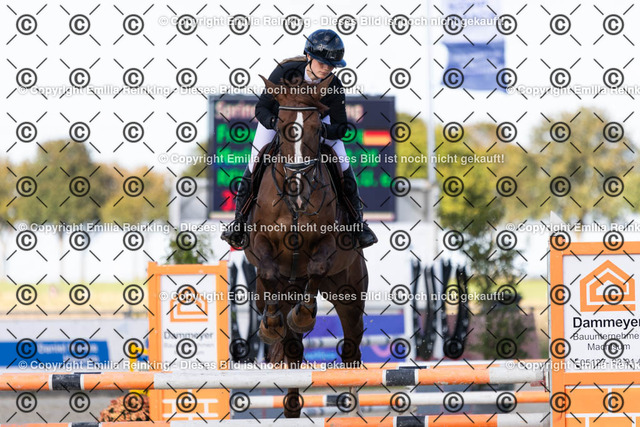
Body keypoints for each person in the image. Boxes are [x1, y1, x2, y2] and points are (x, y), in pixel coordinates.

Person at [221, 29, 378, 249]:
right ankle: (238, 223)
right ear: (308, 56)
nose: (327, 69)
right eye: (322, 63)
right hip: (278, 122)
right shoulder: (285, 71)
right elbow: (261, 108)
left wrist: (318, 130)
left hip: (316, 127)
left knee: (343, 164)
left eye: (332, 65)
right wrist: (276, 123)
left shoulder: (333, 85)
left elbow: (341, 127)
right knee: (255, 162)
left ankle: (357, 224)